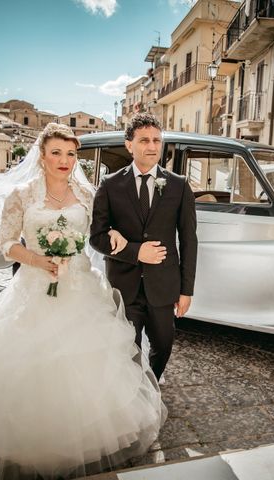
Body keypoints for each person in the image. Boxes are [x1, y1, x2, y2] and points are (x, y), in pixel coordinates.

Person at [0, 123, 165, 479]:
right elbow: (7, 243)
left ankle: (87, 437)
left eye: (70, 154)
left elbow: (99, 231)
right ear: (42, 155)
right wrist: (38, 259)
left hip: (82, 287)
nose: (64, 160)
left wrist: (112, 233)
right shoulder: (21, 195)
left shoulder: (88, 193)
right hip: (34, 286)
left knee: (88, 365)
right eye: (57, 153)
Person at [90, 113, 198, 380]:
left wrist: (186, 290)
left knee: (163, 345)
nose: (152, 146)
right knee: (129, 349)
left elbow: (188, 240)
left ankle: (150, 384)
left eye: (157, 140)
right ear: (129, 145)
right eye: (144, 140)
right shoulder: (110, 185)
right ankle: (136, 395)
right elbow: (97, 237)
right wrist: (136, 252)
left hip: (163, 285)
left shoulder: (179, 186)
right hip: (124, 285)